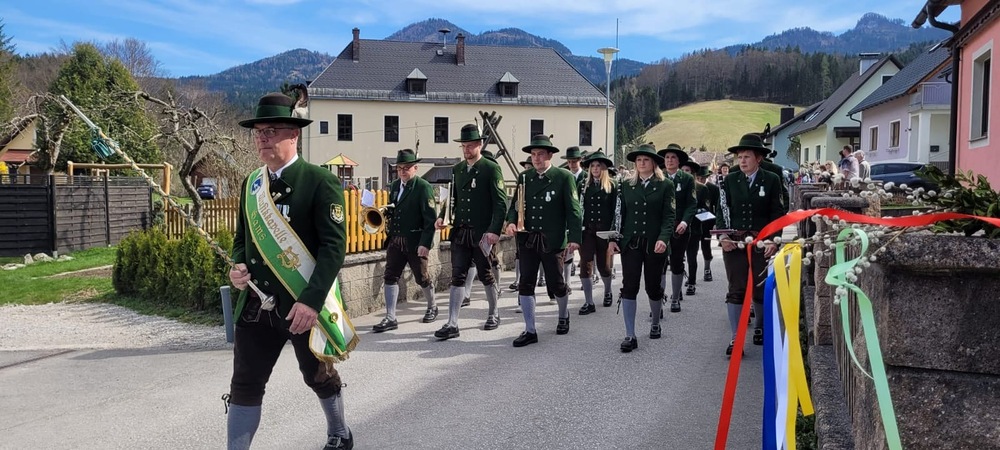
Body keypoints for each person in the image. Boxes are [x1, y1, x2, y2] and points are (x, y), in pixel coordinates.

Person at [226, 92, 353, 449]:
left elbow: (333, 249)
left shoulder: (319, 181)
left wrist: (311, 302)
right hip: (257, 305)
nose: (262, 138)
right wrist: (238, 266)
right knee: (245, 384)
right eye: (258, 132)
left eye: (271, 131)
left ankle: (339, 432)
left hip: (302, 303)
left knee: (317, 375)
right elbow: (241, 239)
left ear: (293, 134)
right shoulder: (252, 184)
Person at [505, 134, 582, 347]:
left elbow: (574, 210)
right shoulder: (524, 177)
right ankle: (530, 329)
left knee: (556, 283)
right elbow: (515, 206)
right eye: (533, 154)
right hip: (528, 239)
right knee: (525, 283)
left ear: (550, 155)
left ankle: (563, 315)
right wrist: (511, 222)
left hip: (552, 239)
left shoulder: (563, 177)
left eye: (540, 154)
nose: (536, 158)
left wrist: (574, 238)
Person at [433, 124, 507, 339]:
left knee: (485, 274)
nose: (466, 150)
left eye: (470, 145)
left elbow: (500, 203)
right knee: (457, 276)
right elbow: (451, 199)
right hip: (461, 231)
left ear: (480, 145)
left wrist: (494, 230)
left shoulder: (490, 168)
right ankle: (452, 323)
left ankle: (493, 313)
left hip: (482, 233)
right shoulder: (457, 169)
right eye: (464, 146)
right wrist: (443, 216)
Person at [715, 133, 784, 357]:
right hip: (734, 243)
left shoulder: (771, 179)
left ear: (758, 158)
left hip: (761, 243)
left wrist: (774, 239)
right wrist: (723, 236)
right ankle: (736, 338)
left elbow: (777, 212)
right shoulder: (729, 180)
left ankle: (760, 326)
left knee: (759, 288)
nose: (742, 161)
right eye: (740, 157)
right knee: (736, 288)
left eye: (747, 156)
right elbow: (721, 210)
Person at [609, 144, 675, 353]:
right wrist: (613, 239)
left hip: (655, 243)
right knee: (629, 286)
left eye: (646, 159)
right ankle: (630, 334)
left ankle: (655, 321)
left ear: (654, 163)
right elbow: (618, 214)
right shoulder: (626, 185)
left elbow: (669, 216)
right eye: (638, 160)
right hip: (631, 242)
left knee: (653, 287)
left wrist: (664, 238)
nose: (642, 163)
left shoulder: (665, 185)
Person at [373, 149, 439, 332]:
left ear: (415, 168)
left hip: (415, 240)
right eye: (400, 168)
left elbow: (430, 219)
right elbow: (396, 208)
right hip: (396, 239)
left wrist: (425, 244)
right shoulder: (395, 186)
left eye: (407, 168)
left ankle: (432, 306)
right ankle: (390, 317)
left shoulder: (423, 187)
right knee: (390, 276)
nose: (402, 171)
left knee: (421, 277)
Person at [656, 143, 697, 313]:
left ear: (679, 161)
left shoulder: (686, 179)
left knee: (677, 262)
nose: (670, 160)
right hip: (660, 229)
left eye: (673, 157)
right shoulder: (658, 177)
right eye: (667, 157)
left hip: (679, 228)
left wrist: (685, 222)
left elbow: (691, 204)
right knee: (659, 263)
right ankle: (658, 299)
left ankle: (675, 298)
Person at [576, 150, 618, 313]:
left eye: (598, 166)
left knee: (603, 265)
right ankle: (589, 301)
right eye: (592, 166)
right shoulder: (583, 185)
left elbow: (616, 210)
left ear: (604, 168)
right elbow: (577, 208)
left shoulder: (612, 186)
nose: (595, 168)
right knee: (585, 264)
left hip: (604, 232)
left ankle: (607, 291)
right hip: (587, 230)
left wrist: (614, 233)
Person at [680, 160, 709, 296]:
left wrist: (692, 213)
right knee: (677, 259)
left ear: (693, 173)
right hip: (678, 228)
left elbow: (706, 209)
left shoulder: (701, 188)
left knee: (692, 257)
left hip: (694, 228)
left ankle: (691, 282)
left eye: (687, 171)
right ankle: (677, 286)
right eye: (682, 170)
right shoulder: (674, 186)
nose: (684, 173)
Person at [561, 146, 586, 284]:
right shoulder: (564, 176)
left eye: (574, 161)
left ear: (580, 161)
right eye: (569, 162)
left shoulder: (586, 177)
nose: (571, 165)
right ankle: (567, 282)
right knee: (568, 249)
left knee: (585, 252)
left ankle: (588, 276)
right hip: (568, 216)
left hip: (584, 216)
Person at [698, 165, 720, 282]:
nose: (700, 180)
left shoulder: (713, 188)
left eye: (703, 178)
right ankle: (691, 274)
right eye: (698, 178)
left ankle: (707, 269)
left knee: (705, 245)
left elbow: (717, 206)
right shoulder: (693, 186)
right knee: (691, 248)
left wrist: (716, 222)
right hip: (694, 221)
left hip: (708, 220)